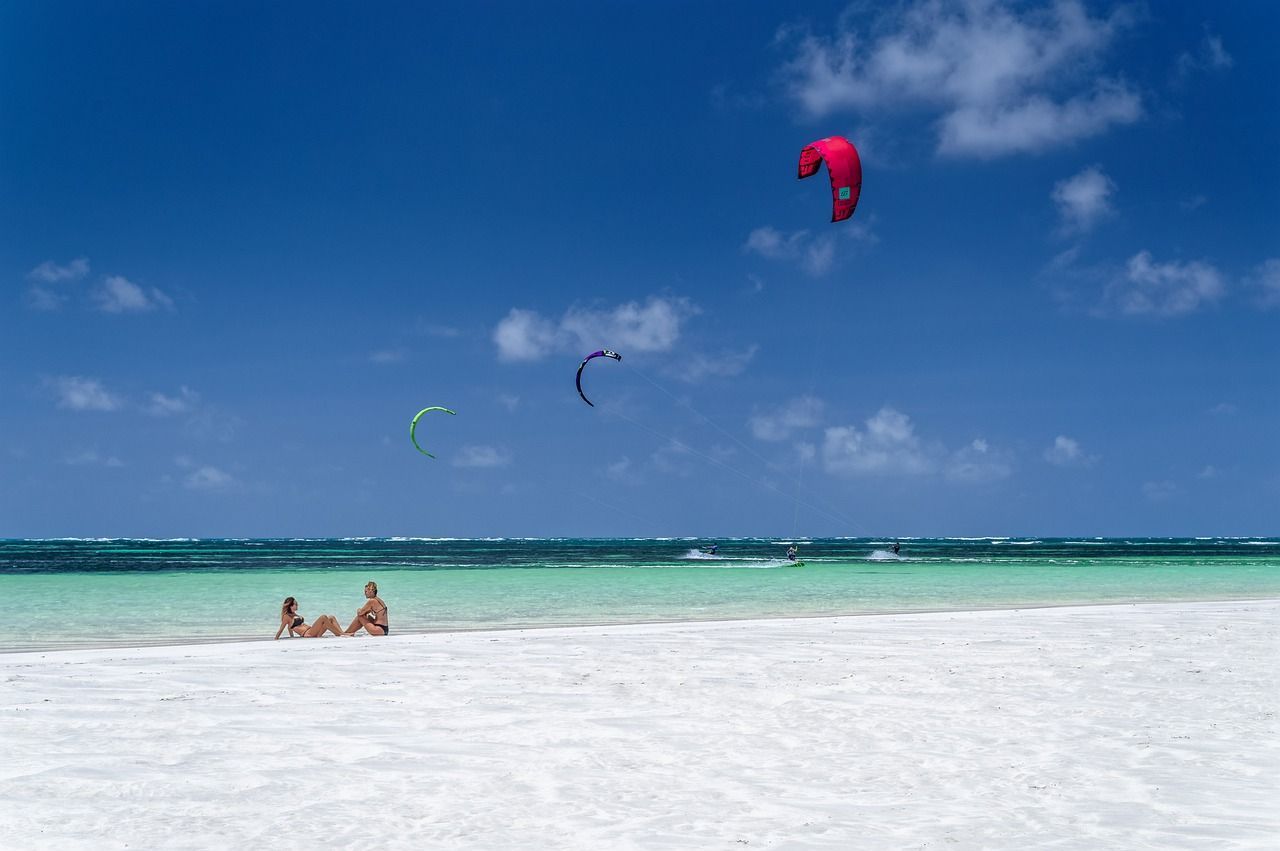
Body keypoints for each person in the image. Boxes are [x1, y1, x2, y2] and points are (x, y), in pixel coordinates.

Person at [275, 597, 343, 639]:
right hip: (308, 634)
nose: (297, 605)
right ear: (290, 606)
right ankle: (341, 634)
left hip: (314, 632)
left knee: (331, 617)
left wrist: (292, 637)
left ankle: (341, 633)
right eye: (295, 604)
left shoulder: (294, 614)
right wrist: (276, 639)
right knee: (323, 617)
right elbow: (281, 629)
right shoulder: (286, 616)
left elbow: (290, 628)